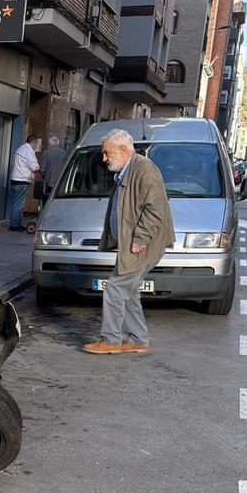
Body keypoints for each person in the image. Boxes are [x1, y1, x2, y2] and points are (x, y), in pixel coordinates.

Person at [82, 129, 175, 356]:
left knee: (114, 289)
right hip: (133, 243)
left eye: (107, 153)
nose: (104, 159)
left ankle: (111, 340)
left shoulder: (143, 169)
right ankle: (138, 339)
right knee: (129, 292)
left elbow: (156, 209)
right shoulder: (129, 170)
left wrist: (140, 239)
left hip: (142, 244)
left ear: (123, 149)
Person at [7, 133, 40, 231]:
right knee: (18, 204)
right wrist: (38, 167)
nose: (35, 146)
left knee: (17, 203)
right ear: (33, 142)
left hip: (15, 179)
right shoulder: (28, 151)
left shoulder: (20, 149)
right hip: (22, 180)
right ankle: (14, 225)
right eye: (36, 144)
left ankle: (18, 223)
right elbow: (34, 166)